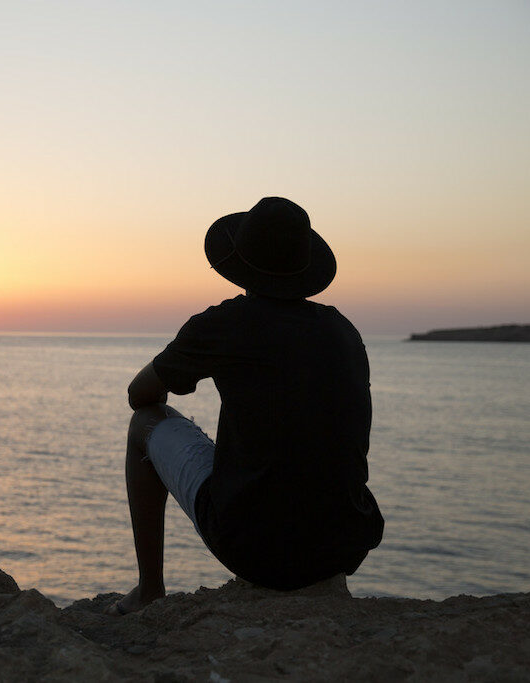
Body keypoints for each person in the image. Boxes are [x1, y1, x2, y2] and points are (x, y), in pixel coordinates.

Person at [110, 197, 384, 615]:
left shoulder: (225, 324)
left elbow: (138, 394)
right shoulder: (341, 330)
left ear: (241, 263)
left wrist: (185, 373)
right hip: (343, 545)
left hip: (255, 551)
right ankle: (321, 582)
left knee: (143, 425)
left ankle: (149, 590)